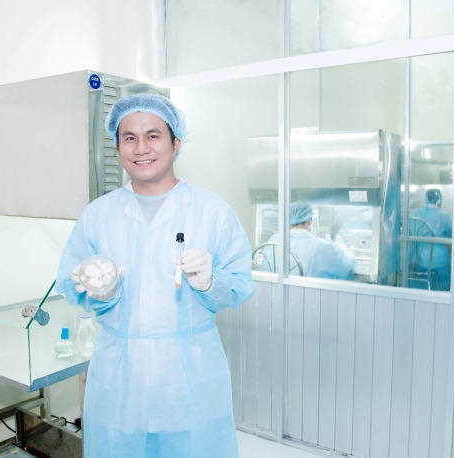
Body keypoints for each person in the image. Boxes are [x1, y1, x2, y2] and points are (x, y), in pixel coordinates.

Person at [55, 93, 255, 458]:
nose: (141, 148)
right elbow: (71, 282)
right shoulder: (98, 215)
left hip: (189, 375)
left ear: (176, 143)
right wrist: (102, 291)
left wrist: (211, 282)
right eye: (129, 138)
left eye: (153, 136)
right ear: (118, 147)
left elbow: (240, 285)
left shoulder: (212, 211)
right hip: (120, 375)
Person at [261, 202, 355, 279]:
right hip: (308, 295)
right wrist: (343, 246)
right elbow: (347, 268)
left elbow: (265, 268)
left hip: (273, 292)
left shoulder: (275, 239)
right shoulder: (322, 246)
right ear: (310, 221)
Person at [408, 189, 452, 291]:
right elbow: (452, 236)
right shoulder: (445, 217)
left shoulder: (415, 214)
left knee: (420, 286)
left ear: (425, 199)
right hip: (438, 259)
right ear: (439, 201)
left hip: (417, 258)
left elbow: (409, 232)